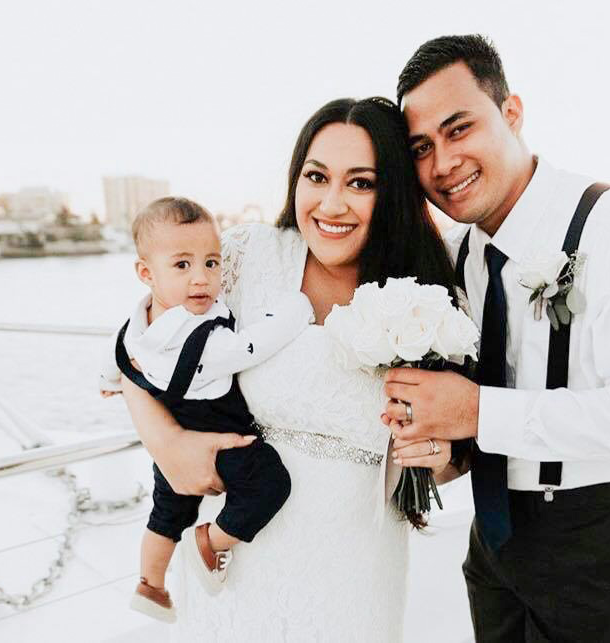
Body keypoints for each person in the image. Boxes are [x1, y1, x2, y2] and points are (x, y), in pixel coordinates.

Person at [383, 35, 610, 642]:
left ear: (511, 113)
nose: (443, 163)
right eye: (422, 147)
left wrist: (479, 412)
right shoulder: (457, 256)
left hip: (605, 545)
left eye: (459, 129)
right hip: (494, 540)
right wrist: (443, 450)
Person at [119, 97, 458, 641]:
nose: (332, 203)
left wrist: (440, 455)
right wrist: (168, 444)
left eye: (361, 183)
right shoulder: (245, 256)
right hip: (230, 560)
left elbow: (453, 449)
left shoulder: (426, 291)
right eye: (316, 177)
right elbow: (139, 352)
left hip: (355, 569)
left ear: (392, 190)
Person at [99, 197, 313, 622]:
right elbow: (251, 346)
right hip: (219, 435)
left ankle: (150, 584)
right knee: (270, 483)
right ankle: (211, 542)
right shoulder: (205, 340)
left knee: (167, 513)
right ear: (146, 273)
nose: (201, 278)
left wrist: (107, 381)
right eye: (182, 265)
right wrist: (296, 311)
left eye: (211, 263)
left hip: (173, 432)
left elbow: (115, 356)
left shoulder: (135, 328)